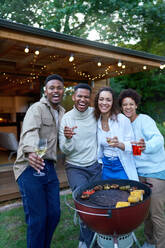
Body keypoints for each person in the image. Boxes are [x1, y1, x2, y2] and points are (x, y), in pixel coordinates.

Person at [13, 74, 65, 248]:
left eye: (59, 87)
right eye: (52, 88)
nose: (55, 91)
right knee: (37, 219)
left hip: (48, 167)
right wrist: (30, 152)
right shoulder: (37, 109)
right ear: (46, 91)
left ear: (63, 90)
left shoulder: (62, 112)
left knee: (54, 214)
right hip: (30, 166)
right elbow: (29, 132)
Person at [118, 88, 165, 248]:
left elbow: (158, 140)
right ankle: (150, 241)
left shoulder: (145, 120)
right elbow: (133, 151)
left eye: (131, 104)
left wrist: (147, 146)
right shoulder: (124, 124)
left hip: (155, 172)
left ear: (136, 105)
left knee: (156, 214)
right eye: (125, 105)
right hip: (139, 174)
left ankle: (160, 245)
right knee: (145, 212)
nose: (128, 107)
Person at [59, 83, 102, 248]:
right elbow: (64, 149)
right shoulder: (67, 118)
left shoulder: (94, 114)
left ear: (89, 99)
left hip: (95, 166)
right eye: (79, 96)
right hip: (75, 167)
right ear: (73, 97)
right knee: (84, 203)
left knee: (97, 202)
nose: (83, 99)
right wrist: (68, 138)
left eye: (86, 96)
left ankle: (90, 240)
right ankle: (88, 242)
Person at [94, 86, 139, 181]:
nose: (104, 103)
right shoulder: (96, 121)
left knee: (125, 195)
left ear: (113, 102)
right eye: (101, 99)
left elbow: (135, 147)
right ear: (97, 101)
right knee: (107, 195)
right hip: (105, 167)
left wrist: (119, 144)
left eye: (108, 100)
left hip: (122, 166)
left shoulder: (122, 120)